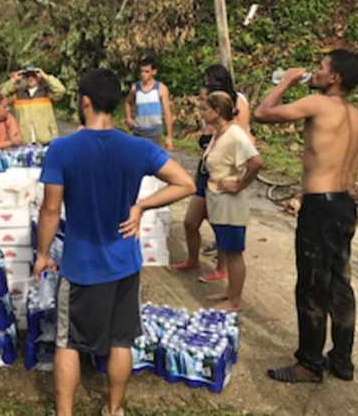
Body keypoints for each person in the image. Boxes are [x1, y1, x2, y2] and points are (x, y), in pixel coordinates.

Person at [33, 68, 195, 416]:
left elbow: (50, 209)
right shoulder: (135, 147)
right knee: (121, 340)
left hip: (81, 265)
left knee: (69, 342)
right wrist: (141, 206)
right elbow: (185, 183)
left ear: (85, 101)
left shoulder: (63, 149)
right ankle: (113, 409)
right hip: (124, 262)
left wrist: (43, 254)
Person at [255, 49, 358, 384]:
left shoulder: (318, 104)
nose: (315, 73)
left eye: (321, 68)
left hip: (320, 208)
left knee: (312, 287)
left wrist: (287, 80)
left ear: (334, 78)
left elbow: (262, 113)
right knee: (340, 285)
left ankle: (309, 363)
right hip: (344, 205)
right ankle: (342, 360)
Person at [174, 64, 252, 283]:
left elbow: (244, 142)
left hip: (225, 172)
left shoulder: (237, 104)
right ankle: (193, 260)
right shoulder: (209, 103)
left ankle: (222, 266)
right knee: (191, 221)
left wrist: (239, 181)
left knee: (221, 222)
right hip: (206, 169)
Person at [200, 91, 262, 311]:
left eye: (206, 108)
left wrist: (239, 184)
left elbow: (256, 162)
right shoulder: (219, 133)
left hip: (231, 203)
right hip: (218, 199)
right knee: (226, 248)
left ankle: (235, 300)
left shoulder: (235, 134)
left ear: (216, 112)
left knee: (234, 253)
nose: (202, 112)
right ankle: (230, 292)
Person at [0, 66, 65, 144]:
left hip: (47, 141)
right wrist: (13, 80)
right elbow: (1, 95)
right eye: (27, 76)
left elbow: (61, 90)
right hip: (24, 142)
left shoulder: (47, 93)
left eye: (33, 75)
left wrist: (45, 76)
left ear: (39, 77)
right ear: (24, 78)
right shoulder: (18, 94)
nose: (30, 78)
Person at [124, 58, 174, 149]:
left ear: (154, 72)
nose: (143, 74)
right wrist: (128, 118)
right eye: (141, 71)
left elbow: (167, 113)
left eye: (147, 71)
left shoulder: (161, 88)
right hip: (138, 131)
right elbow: (128, 102)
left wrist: (169, 137)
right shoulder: (135, 88)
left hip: (154, 132)